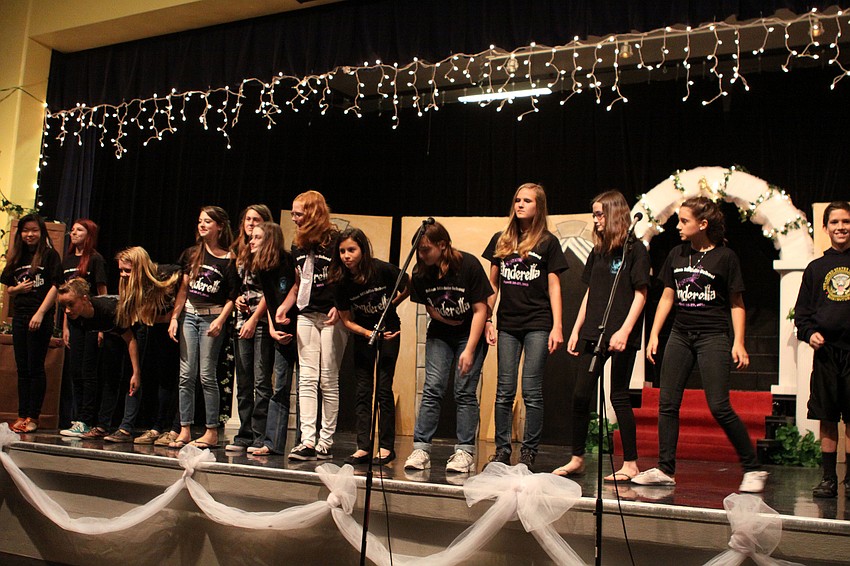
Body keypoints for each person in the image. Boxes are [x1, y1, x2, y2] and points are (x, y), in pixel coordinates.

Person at [634, 196, 768, 493]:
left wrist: (739, 342)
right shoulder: (677, 254)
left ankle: (753, 468)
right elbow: (668, 295)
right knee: (667, 403)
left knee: (719, 405)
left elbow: (736, 302)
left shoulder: (725, 257)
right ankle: (665, 469)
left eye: (684, 221)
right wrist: (654, 333)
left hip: (712, 336)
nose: (678, 226)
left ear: (702, 224)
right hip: (680, 335)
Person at [552, 191, 649, 481]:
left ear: (615, 214)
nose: (595, 220)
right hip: (595, 329)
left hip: (622, 333)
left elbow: (641, 294)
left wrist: (626, 330)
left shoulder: (636, 250)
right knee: (581, 393)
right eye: (594, 214)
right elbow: (590, 292)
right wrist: (577, 328)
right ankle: (577, 457)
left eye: (599, 214)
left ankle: (630, 463)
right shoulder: (598, 252)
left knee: (619, 396)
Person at [483, 183, 568, 471]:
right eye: (517, 199)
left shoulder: (548, 242)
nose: (520, 204)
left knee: (531, 390)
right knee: (504, 390)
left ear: (538, 207)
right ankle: (502, 450)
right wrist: (487, 319)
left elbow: (555, 287)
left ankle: (529, 451)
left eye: (527, 200)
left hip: (538, 323)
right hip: (508, 323)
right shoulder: (502, 239)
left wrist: (557, 326)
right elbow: (492, 284)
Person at [404, 222, 492, 473]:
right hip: (440, 334)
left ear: (442, 245)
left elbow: (480, 310)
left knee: (464, 392)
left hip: (469, 334)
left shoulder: (469, 265)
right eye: (418, 251)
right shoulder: (421, 273)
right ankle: (421, 448)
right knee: (432, 388)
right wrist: (445, 320)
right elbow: (430, 306)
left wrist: (470, 349)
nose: (421, 255)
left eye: (425, 249)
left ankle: (465, 451)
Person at [277, 191, 346, 461]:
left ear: (314, 213)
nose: (293, 218)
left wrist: (341, 307)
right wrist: (284, 307)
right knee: (306, 378)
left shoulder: (337, 241)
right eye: (293, 213)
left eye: (298, 213)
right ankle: (307, 440)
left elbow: (349, 279)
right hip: (306, 314)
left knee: (328, 379)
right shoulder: (299, 246)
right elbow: (298, 283)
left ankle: (325, 440)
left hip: (331, 316)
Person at [330, 227, 409, 466]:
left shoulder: (381, 269)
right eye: (342, 251)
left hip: (389, 331)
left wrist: (391, 306)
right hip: (364, 335)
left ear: (362, 250)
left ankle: (386, 448)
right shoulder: (340, 281)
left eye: (351, 250)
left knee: (384, 389)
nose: (346, 255)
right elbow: (346, 320)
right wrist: (368, 333)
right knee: (363, 390)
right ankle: (363, 447)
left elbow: (408, 284)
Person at [168, 206, 239, 449]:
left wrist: (221, 320)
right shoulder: (191, 254)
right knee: (185, 375)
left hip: (212, 318)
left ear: (219, 226)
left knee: (207, 375)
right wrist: (175, 317)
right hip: (189, 315)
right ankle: (184, 428)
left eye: (208, 221)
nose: (202, 225)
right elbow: (184, 289)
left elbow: (232, 295)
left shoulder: (229, 258)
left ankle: (211, 430)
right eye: (200, 221)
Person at [794, 200, 850, 498]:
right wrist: (810, 333)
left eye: (846, 221)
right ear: (826, 228)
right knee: (827, 417)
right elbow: (801, 316)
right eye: (836, 222)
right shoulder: (816, 269)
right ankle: (829, 478)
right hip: (827, 355)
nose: (841, 227)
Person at [99, 247, 182, 444]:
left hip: (171, 331)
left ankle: (171, 427)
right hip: (149, 329)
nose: (123, 275)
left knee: (170, 379)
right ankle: (137, 427)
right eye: (121, 270)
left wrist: (171, 317)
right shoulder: (129, 286)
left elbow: (184, 278)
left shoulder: (164, 273)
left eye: (127, 270)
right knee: (140, 376)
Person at [2, 214, 62, 434]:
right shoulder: (17, 256)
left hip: (40, 316)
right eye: (26, 230)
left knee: (36, 367)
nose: (29, 234)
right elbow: (8, 286)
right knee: (23, 368)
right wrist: (17, 290)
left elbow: (56, 286)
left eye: (34, 230)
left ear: (41, 231)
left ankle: (33, 416)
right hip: (20, 316)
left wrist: (40, 314)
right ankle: (21, 414)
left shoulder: (49, 255)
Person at [244, 222, 297, 456]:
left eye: (257, 237)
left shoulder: (287, 261)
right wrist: (274, 329)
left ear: (270, 240)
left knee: (309, 385)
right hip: (280, 331)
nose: (251, 241)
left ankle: (309, 442)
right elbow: (269, 298)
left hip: (300, 327)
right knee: (280, 387)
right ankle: (273, 442)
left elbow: (295, 289)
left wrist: (285, 320)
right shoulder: (262, 268)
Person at [226, 204, 275, 452]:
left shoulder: (270, 254)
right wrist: (236, 301)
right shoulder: (241, 252)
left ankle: (260, 435)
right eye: (247, 219)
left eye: (256, 220)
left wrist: (255, 318)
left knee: (260, 381)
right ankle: (244, 433)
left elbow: (270, 292)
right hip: (241, 320)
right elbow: (238, 287)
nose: (251, 223)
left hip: (261, 322)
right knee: (243, 381)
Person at [59, 219, 108, 438]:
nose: (73, 233)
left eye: (79, 230)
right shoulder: (67, 260)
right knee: (75, 371)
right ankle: (78, 418)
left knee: (88, 372)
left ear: (89, 235)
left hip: (91, 321)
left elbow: (102, 293)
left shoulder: (95, 259)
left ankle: (87, 420)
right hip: (74, 322)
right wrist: (65, 326)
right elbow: (64, 299)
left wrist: (101, 327)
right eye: (73, 229)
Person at [57, 278, 141, 405]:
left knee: (120, 375)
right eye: (63, 307)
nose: (67, 310)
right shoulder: (75, 316)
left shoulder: (107, 310)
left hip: (136, 320)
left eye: (70, 304)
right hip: (111, 329)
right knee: (82, 371)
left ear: (85, 299)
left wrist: (136, 372)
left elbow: (130, 339)